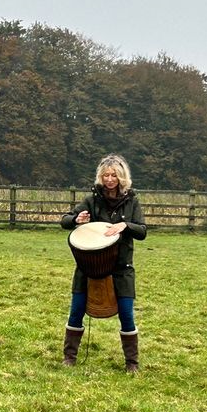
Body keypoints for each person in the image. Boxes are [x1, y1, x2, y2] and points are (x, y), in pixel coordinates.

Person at [60, 154, 147, 372]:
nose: (109, 179)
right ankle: (69, 357)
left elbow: (143, 231)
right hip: (88, 269)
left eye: (114, 175)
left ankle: (132, 363)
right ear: (101, 177)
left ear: (121, 177)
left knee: (126, 313)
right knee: (76, 311)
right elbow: (65, 221)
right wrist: (76, 219)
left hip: (121, 269)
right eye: (106, 175)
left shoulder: (132, 201)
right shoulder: (91, 200)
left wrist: (125, 225)